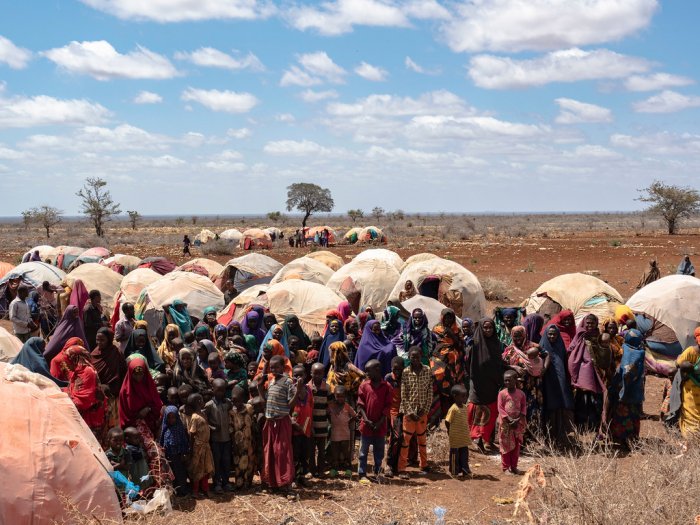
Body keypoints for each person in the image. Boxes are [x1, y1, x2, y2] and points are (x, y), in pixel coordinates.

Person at [118, 356, 172, 488]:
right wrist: (138, 418)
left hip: (154, 423)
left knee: (160, 451)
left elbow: (157, 405)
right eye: (135, 374)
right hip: (136, 428)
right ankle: (153, 486)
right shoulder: (125, 391)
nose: (139, 377)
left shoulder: (149, 385)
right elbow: (125, 417)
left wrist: (148, 409)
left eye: (141, 373)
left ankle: (164, 486)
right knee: (155, 452)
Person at [258, 355, 302, 493]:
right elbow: (264, 402)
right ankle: (272, 482)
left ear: (283, 368)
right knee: (270, 451)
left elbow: (290, 405)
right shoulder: (271, 381)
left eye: (276, 367)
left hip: (281, 422)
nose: (273, 369)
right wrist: (260, 387)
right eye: (271, 367)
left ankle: (286, 483)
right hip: (270, 422)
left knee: (282, 452)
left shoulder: (288, 382)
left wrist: (298, 390)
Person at [502, 325, 549, 436]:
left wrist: (544, 369)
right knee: (517, 410)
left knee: (532, 409)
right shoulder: (509, 349)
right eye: (515, 336)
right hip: (517, 387)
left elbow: (547, 355)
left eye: (520, 336)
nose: (518, 339)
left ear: (524, 335)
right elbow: (503, 364)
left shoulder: (534, 346)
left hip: (532, 386)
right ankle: (518, 436)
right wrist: (514, 368)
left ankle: (532, 436)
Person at [468, 318, 504, 453]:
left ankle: (487, 439)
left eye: (490, 328)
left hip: (492, 384)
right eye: (485, 328)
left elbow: (499, 363)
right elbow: (469, 365)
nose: (488, 330)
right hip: (478, 384)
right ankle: (477, 439)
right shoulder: (475, 344)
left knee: (491, 412)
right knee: (478, 411)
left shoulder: (496, 343)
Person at [567, 314, 608, 433]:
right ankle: (580, 425)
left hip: (597, 373)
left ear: (596, 324)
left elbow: (603, 354)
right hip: (583, 373)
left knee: (595, 400)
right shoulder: (580, 335)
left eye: (592, 323)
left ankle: (594, 425)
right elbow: (572, 350)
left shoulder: (599, 337)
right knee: (582, 399)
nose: (590, 325)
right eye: (588, 323)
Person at [398, 346, 433, 479]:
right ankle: (402, 468)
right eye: (412, 357)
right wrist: (410, 412)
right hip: (409, 413)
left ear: (421, 356)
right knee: (405, 441)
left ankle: (424, 464)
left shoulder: (427, 370)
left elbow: (430, 391)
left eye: (417, 356)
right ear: (409, 357)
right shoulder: (406, 372)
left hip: (423, 412)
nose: (415, 359)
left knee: (422, 440)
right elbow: (404, 395)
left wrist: (425, 409)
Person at [357, 359, 393, 484]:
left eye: (368, 371)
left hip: (380, 426)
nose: (366, 373)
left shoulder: (386, 387)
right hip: (366, 425)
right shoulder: (364, 385)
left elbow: (388, 406)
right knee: (363, 452)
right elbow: (360, 405)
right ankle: (362, 473)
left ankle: (377, 473)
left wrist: (380, 422)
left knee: (379, 452)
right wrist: (366, 419)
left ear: (377, 370)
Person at [609, 330, 646, 448]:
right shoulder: (640, 352)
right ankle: (630, 439)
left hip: (626, 387)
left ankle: (622, 439)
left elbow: (627, 371)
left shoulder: (624, 349)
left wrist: (621, 382)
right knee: (632, 414)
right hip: (635, 388)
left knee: (622, 414)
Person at [432, 308, 467, 418]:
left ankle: (455, 408)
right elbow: (433, 345)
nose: (448, 319)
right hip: (440, 360)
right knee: (440, 380)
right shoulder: (436, 329)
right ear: (442, 317)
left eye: (450, 317)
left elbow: (461, 345)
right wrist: (441, 354)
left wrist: (452, 334)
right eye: (446, 317)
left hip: (454, 363)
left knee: (454, 383)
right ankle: (442, 410)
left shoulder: (457, 330)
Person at [91, 327, 128, 431]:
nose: (99, 342)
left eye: (102, 340)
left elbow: (123, 372)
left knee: (112, 423)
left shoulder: (116, 353)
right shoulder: (93, 354)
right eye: (97, 339)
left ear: (109, 340)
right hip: (98, 395)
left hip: (113, 395)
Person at [65, 344, 106, 435]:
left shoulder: (87, 372)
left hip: (91, 416)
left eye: (68, 360)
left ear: (76, 359)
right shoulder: (75, 372)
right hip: (81, 414)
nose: (66, 363)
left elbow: (85, 398)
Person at [205, 378, 233, 493]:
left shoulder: (227, 403)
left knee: (226, 461)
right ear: (213, 390)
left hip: (227, 438)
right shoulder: (209, 405)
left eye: (223, 391)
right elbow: (204, 419)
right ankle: (217, 483)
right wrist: (211, 427)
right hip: (215, 440)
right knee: (216, 461)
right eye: (218, 391)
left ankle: (226, 482)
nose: (220, 393)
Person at [497, 370, 527, 475]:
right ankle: (506, 467)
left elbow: (523, 407)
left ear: (515, 380)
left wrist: (518, 420)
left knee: (516, 446)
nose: (507, 383)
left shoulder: (521, 394)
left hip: (517, 424)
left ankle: (514, 466)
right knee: (505, 446)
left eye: (509, 380)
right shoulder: (502, 394)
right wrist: (509, 419)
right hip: (506, 424)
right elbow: (500, 408)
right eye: (505, 381)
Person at [186, 393, 214, 499]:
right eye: (202, 400)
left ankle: (205, 489)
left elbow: (205, 426)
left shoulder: (203, 414)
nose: (204, 402)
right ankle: (195, 491)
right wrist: (191, 448)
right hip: (198, 447)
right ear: (198, 402)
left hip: (206, 446)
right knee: (197, 470)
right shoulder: (195, 417)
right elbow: (192, 433)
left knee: (206, 468)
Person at [159, 405, 191, 497]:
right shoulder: (165, 428)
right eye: (169, 417)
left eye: (173, 417)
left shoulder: (180, 428)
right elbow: (162, 441)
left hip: (178, 456)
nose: (171, 420)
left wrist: (184, 453)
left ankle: (182, 490)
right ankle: (174, 491)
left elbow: (184, 442)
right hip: (168, 456)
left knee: (180, 473)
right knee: (171, 474)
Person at [291, 365, 314, 487]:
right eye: (295, 375)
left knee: (305, 454)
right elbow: (288, 410)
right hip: (294, 429)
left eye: (301, 375)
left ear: (305, 376)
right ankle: (294, 477)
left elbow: (311, 406)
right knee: (295, 454)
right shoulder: (290, 390)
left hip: (306, 429)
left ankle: (302, 477)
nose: (298, 377)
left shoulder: (309, 390)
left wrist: (311, 426)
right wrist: (293, 423)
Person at [676, 327, 700, 441]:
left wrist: (679, 359)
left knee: (690, 413)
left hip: (690, 389)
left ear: (695, 339)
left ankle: (691, 439)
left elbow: (678, 364)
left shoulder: (690, 351)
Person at [327, 385, 357, 478]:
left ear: (346, 397)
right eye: (338, 396)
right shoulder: (331, 406)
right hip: (334, 434)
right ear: (334, 395)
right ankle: (334, 469)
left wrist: (348, 422)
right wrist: (330, 421)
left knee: (346, 452)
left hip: (345, 434)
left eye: (342, 396)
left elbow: (355, 416)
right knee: (335, 453)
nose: (340, 398)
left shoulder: (347, 407)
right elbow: (327, 414)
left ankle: (348, 469)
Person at [230, 386, 256, 489]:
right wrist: (233, 444)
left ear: (243, 399)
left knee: (249, 463)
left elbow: (253, 423)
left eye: (238, 400)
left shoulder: (249, 408)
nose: (235, 403)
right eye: (233, 400)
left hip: (249, 441)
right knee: (239, 465)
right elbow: (231, 429)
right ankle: (239, 484)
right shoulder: (231, 412)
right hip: (238, 443)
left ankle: (248, 483)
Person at [444, 384, 471, 477]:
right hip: (455, 436)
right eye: (462, 396)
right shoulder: (453, 408)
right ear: (455, 396)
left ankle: (465, 470)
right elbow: (447, 421)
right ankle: (454, 471)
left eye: (465, 395)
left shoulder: (465, 407)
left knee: (464, 454)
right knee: (454, 454)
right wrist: (449, 431)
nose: (465, 398)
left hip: (463, 436)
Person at [309, 362, 330, 477]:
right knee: (311, 450)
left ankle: (321, 470)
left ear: (323, 374)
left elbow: (330, 405)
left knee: (322, 450)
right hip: (311, 425)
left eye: (320, 373)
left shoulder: (327, 388)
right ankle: (312, 470)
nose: (317, 376)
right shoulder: (307, 388)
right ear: (311, 373)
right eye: (315, 373)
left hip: (322, 425)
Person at [384, 356, 404, 477]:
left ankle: (399, 465)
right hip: (392, 411)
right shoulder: (388, 378)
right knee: (395, 437)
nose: (397, 372)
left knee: (402, 438)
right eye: (394, 369)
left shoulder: (405, 377)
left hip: (404, 410)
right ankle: (390, 464)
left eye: (399, 369)